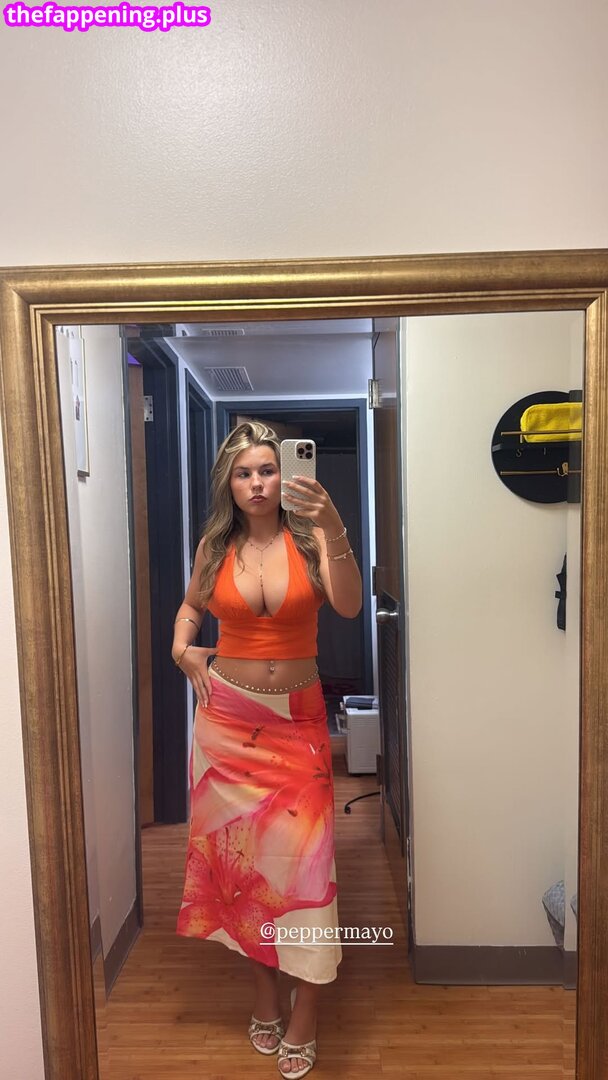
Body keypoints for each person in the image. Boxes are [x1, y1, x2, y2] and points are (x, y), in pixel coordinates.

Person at [173, 420, 362, 1078]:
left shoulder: (312, 538)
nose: (257, 483)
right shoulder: (215, 545)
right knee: (245, 874)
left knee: (306, 871)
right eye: (244, 473)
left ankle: (307, 1008)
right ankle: (264, 994)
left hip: (299, 724)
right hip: (226, 725)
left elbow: (348, 606)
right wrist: (181, 646)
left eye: (267, 470)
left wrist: (332, 524)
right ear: (229, 482)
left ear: (285, 473)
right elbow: (192, 607)